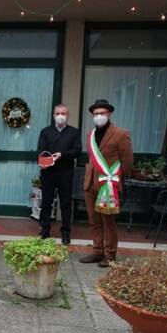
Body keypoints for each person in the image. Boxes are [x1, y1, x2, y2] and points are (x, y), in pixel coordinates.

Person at [79, 99, 133, 267]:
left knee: (108, 221)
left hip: (108, 185)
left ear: (109, 114)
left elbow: (127, 161)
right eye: (96, 114)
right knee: (93, 220)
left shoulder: (120, 134)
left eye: (102, 113)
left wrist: (119, 181)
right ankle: (97, 251)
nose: (99, 116)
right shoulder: (91, 135)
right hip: (90, 184)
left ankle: (110, 254)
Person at [36, 104, 82, 245]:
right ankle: (44, 230)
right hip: (48, 173)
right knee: (46, 202)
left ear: (68, 115)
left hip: (65, 172)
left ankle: (66, 233)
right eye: (57, 113)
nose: (60, 115)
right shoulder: (46, 131)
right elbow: (41, 150)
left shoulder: (74, 132)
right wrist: (47, 159)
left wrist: (63, 155)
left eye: (63, 113)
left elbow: (77, 151)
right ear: (53, 115)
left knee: (65, 203)